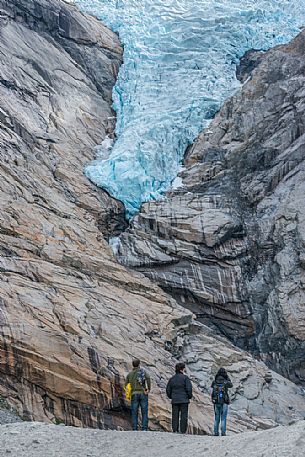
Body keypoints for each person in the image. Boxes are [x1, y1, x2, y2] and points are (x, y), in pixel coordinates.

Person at [166, 362, 193, 433]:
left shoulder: (172, 379)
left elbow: (168, 389)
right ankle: (183, 430)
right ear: (182, 369)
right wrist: (189, 396)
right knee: (184, 416)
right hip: (184, 400)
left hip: (175, 399)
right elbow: (189, 389)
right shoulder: (185, 378)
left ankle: (175, 429)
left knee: (175, 415)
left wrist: (171, 396)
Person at [125, 358, 151, 431]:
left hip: (134, 394)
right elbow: (148, 378)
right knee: (144, 411)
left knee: (134, 412)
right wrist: (148, 388)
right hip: (143, 393)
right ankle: (144, 428)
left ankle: (134, 428)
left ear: (133, 365)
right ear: (139, 364)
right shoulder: (143, 372)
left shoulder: (130, 374)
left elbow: (125, 384)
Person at [211, 367, 233, 436]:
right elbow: (231, 385)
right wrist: (227, 378)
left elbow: (212, 388)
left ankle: (216, 432)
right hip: (224, 401)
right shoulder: (225, 381)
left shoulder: (215, 381)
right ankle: (223, 433)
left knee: (216, 418)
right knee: (223, 418)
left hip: (216, 401)